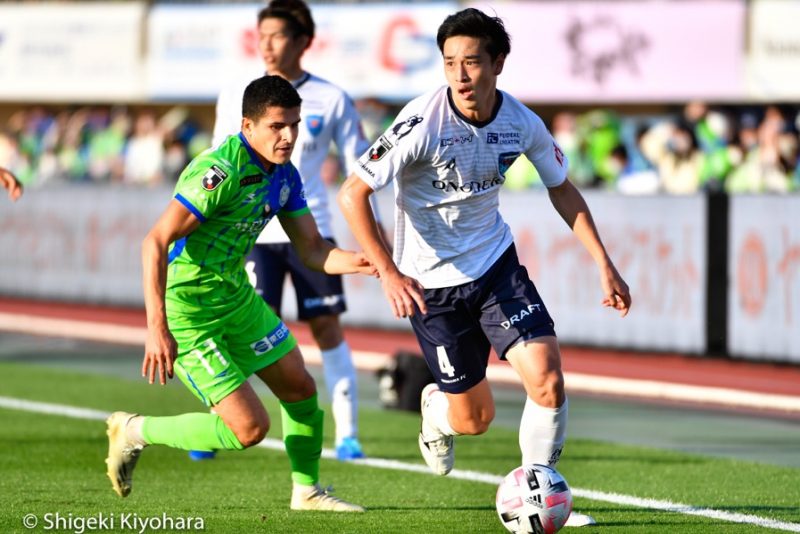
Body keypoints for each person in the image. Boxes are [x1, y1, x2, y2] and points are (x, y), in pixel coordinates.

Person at [337, 8, 631, 527]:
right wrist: (388, 271)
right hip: (433, 288)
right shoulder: (420, 123)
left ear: (498, 62)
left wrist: (603, 262)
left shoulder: (521, 122)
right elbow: (353, 193)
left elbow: (561, 187)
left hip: (496, 268)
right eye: (450, 63)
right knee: (474, 420)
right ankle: (437, 412)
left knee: (547, 380)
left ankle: (540, 495)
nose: (460, 75)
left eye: (472, 62)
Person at [105, 75, 372, 512]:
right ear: (247, 126)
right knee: (249, 430)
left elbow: (313, 250)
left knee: (301, 387)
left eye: (295, 125)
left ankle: (306, 491)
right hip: (188, 310)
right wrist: (157, 328)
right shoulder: (221, 170)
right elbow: (155, 240)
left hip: (235, 297)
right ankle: (134, 430)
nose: (288, 137)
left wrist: (366, 262)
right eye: (277, 126)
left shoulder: (284, 175)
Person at [207, 0, 373, 462]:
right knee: (242, 332)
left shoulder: (332, 98)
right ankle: (221, 422)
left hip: (309, 230)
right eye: (261, 36)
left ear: (303, 41)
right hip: (253, 234)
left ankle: (348, 434)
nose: (266, 45)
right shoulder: (239, 94)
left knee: (326, 327)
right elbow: (220, 158)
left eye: (277, 35)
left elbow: (362, 166)